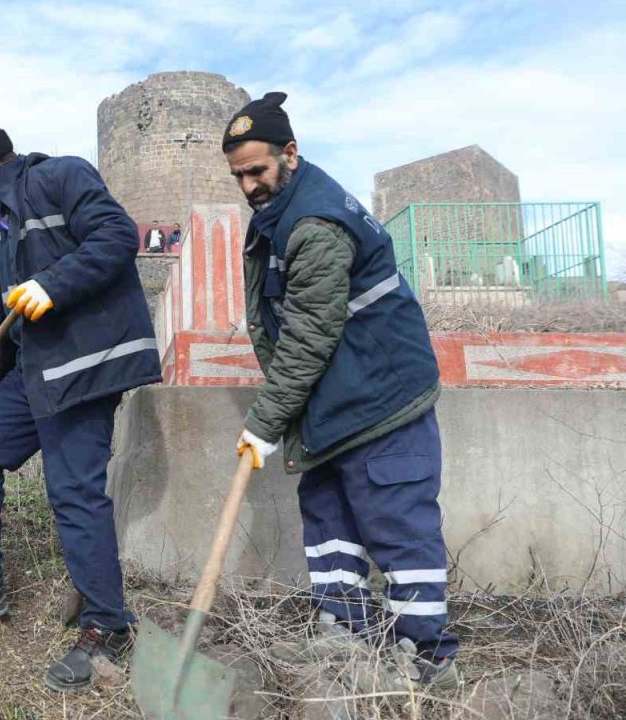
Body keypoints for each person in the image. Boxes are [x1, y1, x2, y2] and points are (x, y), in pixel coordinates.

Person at [0, 100, 161, 693]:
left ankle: (107, 627)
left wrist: (54, 283)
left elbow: (117, 236)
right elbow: (0, 316)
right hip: (36, 371)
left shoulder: (61, 177)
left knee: (73, 490)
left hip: (86, 367)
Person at [222, 92, 458, 690]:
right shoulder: (281, 212)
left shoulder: (317, 223)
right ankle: (344, 638)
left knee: (397, 524)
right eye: (238, 175)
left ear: (290, 154)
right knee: (327, 517)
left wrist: (265, 421)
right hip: (334, 401)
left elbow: (309, 334)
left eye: (257, 170)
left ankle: (428, 664)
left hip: (381, 401)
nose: (248, 185)